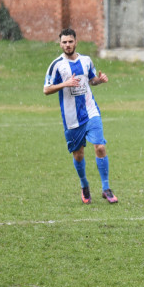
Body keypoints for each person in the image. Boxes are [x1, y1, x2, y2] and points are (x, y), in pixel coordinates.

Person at [44, 28, 118, 204]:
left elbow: (91, 79)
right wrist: (65, 84)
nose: (68, 45)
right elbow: (46, 89)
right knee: (78, 154)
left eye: (70, 41)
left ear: (76, 42)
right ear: (60, 44)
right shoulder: (56, 65)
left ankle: (106, 188)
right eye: (64, 42)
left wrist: (99, 80)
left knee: (100, 147)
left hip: (91, 111)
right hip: (72, 118)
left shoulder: (86, 60)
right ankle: (84, 185)